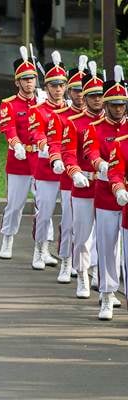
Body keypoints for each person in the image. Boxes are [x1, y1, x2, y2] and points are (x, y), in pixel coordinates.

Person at [82, 68, 127, 320]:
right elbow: (91, 152)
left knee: (124, 247)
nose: (119, 109)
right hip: (106, 193)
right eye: (114, 105)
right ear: (107, 105)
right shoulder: (94, 127)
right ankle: (108, 294)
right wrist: (101, 165)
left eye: (122, 105)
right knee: (107, 243)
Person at [61, 65, 105, 299]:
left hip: (107, 187)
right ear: (85, 98)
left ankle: (100, 276)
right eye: (92, 96)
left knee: (106, 237)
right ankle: (83, 274)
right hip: (84, 185)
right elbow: (68, 152)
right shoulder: (74, 122)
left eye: (100, 95)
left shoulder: (114, 123)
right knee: (83, 235)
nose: (97, 100)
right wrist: (75, 171)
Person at [46, 57, 88, 282]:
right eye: (75, 90)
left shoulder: (96, 118)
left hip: (93, 178)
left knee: (87, 229)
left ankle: (86, 267)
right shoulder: (60, 116)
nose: (80, 95)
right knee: (69, 221)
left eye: (83, 91)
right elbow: (53, 141)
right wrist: (56, 159)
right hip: (69, 176)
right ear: (69, 91)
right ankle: (65, 261)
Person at [0, 47, 38, 259]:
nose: (29, 82)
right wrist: (16, 144)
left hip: (40, 160)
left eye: (32, 78)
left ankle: (42, 246)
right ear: (17, 82)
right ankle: (7, 238)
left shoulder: (42, 102)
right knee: (15, 204)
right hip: (19, 160)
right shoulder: (9, 104)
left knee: (44, 205)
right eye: (25, 79)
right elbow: (8, 128)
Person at [28, 52, 67, 270]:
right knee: (44, 213)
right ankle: (39, 249)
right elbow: (37, 134)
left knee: (70, 216)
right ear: (47, 86)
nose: (58, 89)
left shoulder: (71, 110)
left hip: (69, 169)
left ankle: (66, 254)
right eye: (53, 85)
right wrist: (48, 150)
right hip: (46, 167)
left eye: (61, 85)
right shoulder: (38, 110)